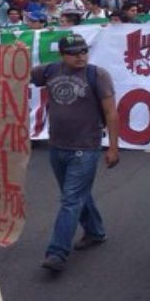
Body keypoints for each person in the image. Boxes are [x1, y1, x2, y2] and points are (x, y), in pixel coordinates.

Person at [31, 34, 119, 272]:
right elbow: (19, 72)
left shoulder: (97, 75)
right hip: (57, 146)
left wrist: (113, 146)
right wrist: (17, 50)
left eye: (83, 51)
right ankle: (95, 232)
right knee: (77, 195)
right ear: (62, 55)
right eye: (74, 53)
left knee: (71, 199)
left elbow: (111, 112)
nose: (81, 56)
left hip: (85, 147)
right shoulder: (49, 71)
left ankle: (57, 252)